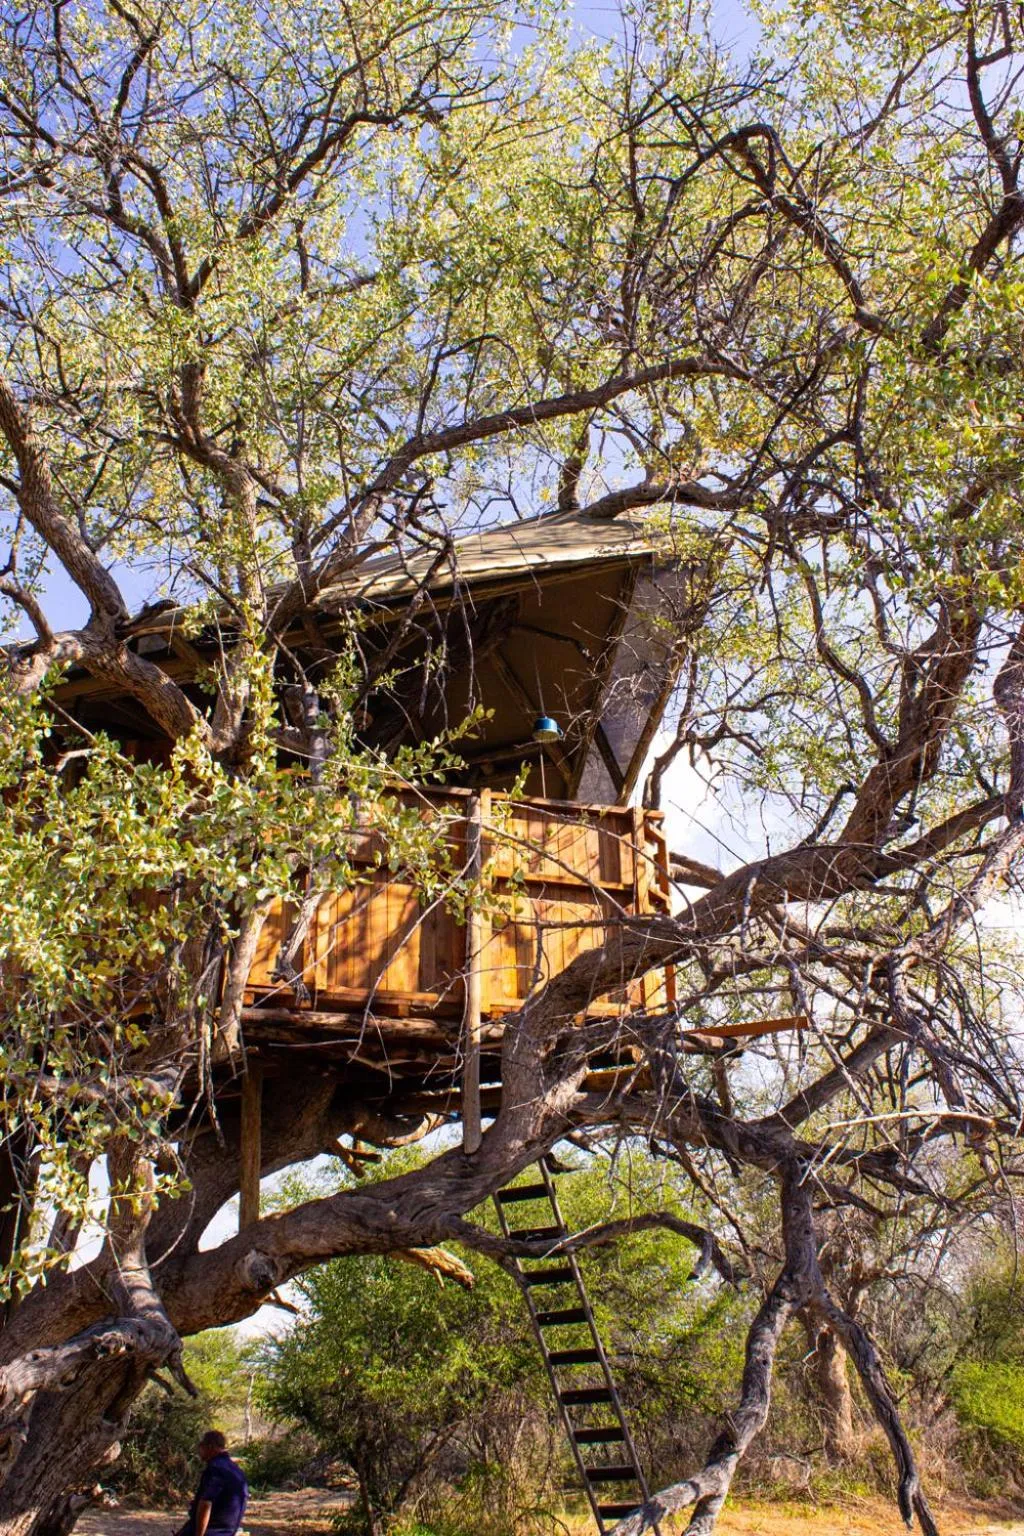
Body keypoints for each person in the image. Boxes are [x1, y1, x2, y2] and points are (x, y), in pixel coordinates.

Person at [174, 1430, 249, 1536]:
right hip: (229, 1531)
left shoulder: (215, 1469)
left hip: (213, 1531)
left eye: (201, 1446)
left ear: (210, 1446)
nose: (199, 1451)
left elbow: (205, 1504)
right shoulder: (236, 1470)